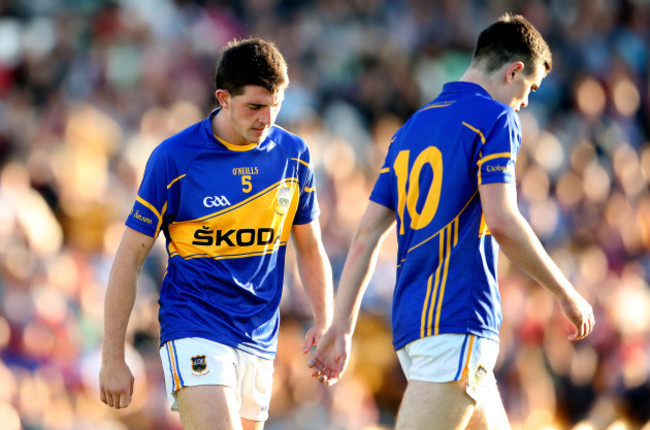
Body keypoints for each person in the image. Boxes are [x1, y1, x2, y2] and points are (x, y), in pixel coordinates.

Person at [309, 13, 595, 430]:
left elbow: (365, 237)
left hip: (415, 325)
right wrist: (567, 293)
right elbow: (501, 219)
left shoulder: (409, 128)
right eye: (530, 89)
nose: (526, 102)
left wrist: (342, 325)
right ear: (514, 71)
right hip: (458, 321)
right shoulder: (497, 118)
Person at [99, 38, 334, 430]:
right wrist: (112, 356)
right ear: (223, 98)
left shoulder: (294, 156)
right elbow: (129, 257)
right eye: (254, 107)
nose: (266, 118)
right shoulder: (175, 158)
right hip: (194, 322)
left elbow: (310, 247)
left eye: (275, 106)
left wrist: (325, 321)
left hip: (259, 332)